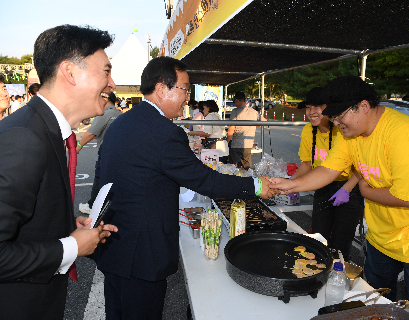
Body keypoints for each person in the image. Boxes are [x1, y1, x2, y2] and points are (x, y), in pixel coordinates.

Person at [92, 56, 275, 320]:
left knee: (117, 312)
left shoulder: (123, 121)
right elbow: (204, 181)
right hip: (143, 253)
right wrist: (256, 185)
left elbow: (100, 176)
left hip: (116, 244)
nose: (187, 97)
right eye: (185, 88)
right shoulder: (163, 131)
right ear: (161, 88)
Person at [270, 76, 409, 320]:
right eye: (332, 116)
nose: (335, 122)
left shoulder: (402, 133)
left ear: (363, 106)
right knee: (375, 297)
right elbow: (327, 170)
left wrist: (364, 191)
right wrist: (289, 186)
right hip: (381, 234)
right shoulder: (349, 135)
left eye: (339, 116)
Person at [0, 25, 118, 320]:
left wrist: (64, 224)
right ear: (70, 72)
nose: (112, 83)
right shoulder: (24, 138)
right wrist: (71, 247)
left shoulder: (46, 130)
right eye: (105, 71)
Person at [292, 87, 364, 261]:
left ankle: (338, 280)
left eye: (317, 107)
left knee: (340, 244)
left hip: (348, 188)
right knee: (318, 239)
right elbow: (308, 163)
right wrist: (289, 183)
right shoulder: (308, 131)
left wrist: (347, 189)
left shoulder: (343, 129)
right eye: (308, 107)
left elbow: (361, 166)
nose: (311, 112)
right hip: (322, 186)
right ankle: (316, 276)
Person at [77, 91, 122, 215]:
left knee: (99, 177)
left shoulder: (103, 114)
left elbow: (91, 132)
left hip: (106, 153)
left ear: (105, 100)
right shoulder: (120, 114)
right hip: (120, 153)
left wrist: (78, 146)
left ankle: (92, 205)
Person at [227, 92, 266, 169]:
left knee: (235, 168)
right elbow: (264, 121)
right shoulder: (254, 111)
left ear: (236, 100)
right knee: (247, 168)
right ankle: (248, 180)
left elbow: (231, 128)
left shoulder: (235, 111)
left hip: (236, 145)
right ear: (245, 100)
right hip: (248, 144)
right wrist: (252, 125)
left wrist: (226, 142)